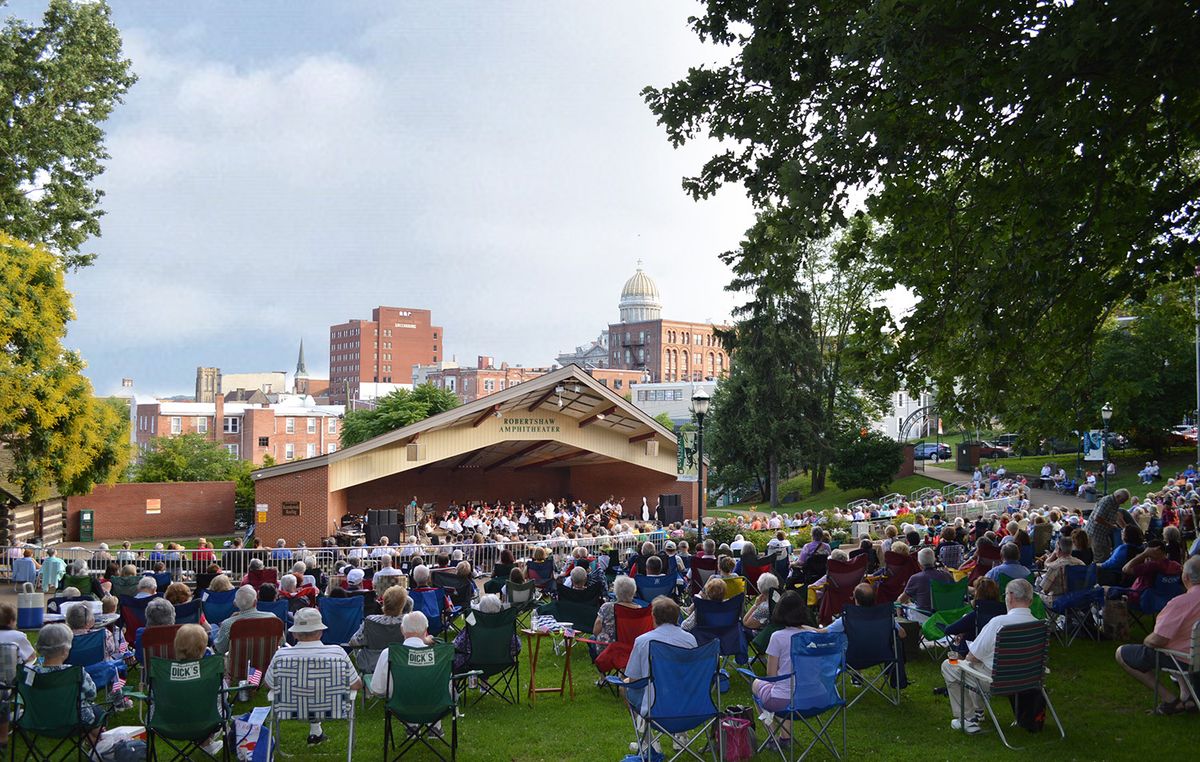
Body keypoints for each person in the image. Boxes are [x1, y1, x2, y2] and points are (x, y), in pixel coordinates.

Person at [939, 578, 1038, 734]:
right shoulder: (1038, 625)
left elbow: (972, 657)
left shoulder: (998, 623)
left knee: (949, 665)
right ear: (1030, 600)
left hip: (997, 682)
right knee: (976, 663)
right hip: (1028, 680)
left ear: (1010, 597)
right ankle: (976, 711)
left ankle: (967, 719)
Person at [1114, 555, 1200, 714]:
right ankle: (1188, 697)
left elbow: (1157, 640)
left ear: (1186, 577)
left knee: (1123, 653)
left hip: (1187, 659)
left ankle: (1170, 700)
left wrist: (1147, 640)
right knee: (1175, 644)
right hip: (1191, 655)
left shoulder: (1181, 603)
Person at [265, 608, 362, 746]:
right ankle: (316, 732)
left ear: (296, 634)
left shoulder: (281, 656)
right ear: (321, 632)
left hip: (290, 709)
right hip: (332, 709)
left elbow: (269, 684)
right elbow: (356, 685)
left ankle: (316, 731)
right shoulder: (337, 654)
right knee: (317, 691)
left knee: (307, 690)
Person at [31, 624, 106, 741]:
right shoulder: (75, 672)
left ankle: (94, 742)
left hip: (38, 719)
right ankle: (99, 744)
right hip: (74, 721)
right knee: (97, 712)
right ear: (65, 650)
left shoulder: (31, 673)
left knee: (89, 715)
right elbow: (92, 694)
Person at [624, 597, 697, 712]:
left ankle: (642, 726)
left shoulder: (643, 641)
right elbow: (694, 673)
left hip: (653, 707)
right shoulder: (690, 640)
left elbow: (634, 679)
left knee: (626, 683)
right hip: (687, 703)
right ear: (677, 616)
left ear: (653, 617)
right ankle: (677, 729)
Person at [751, 591, 819, 715]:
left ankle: (773, 733)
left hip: (785, 699)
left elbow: (771, 675)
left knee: (756, 683)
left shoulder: (778, 637)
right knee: (784, 688)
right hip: (816, 697)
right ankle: (785, 735)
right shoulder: (813, 636)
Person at [369, 610, 435, 699]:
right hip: (433, 705)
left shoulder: (388, 653)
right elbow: (449, 689)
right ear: (426, 630)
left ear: (402, 630)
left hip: (399, 706)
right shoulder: (437, 655)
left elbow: (377, 689)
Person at [452, 594, 519, 670]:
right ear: (499, 607)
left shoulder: (474, 623)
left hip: (473, 662)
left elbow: (457, 645)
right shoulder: (504, 624)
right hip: (501, 662)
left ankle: (455, 681)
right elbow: (517, 646)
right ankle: (484, 680)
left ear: (480, 608)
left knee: (453, 657)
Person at [214, 585, 278, 655]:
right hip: (267, 663)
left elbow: (220, 649)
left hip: (238, 664)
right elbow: (281, 641)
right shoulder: (272, 618)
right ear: (255, 602)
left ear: (236, 604)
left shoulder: (228, 624)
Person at [899, 547, 954, 614]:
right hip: (945, 614)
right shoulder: (946, 575)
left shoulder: (915, 578)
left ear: (919, 564)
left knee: (905, 604)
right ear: (934, 561)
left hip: (925, 616)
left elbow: (901, 600)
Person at [1085, 488, 1130, 564]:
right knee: (1101, 556)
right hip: (1096, 533)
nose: (1123, 503)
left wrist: (1125, 528)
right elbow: (1097, 518)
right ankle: (1098, 573)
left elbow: (1116, 516)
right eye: (1123, 500)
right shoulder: (1106, 502)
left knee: (1106, 552)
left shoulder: (1115, 503)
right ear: (1118, 496)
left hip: (1103, 533)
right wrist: (1111, 525)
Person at [1038, 537, 1084, 605]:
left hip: (1060, 602)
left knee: (1037, 594)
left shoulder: (1056, 566)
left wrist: (1053, 554)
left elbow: (1045, 589)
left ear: (1058, 549)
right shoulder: (1081, 563)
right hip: (1078, 599)